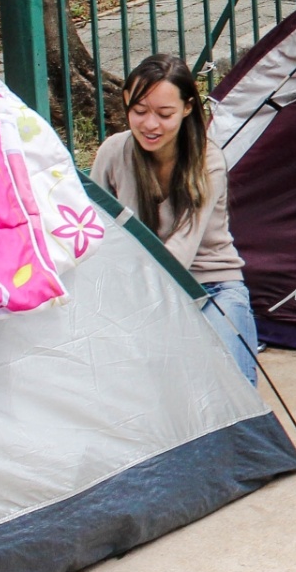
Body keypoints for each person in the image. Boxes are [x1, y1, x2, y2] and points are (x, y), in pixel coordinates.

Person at [91, 54, 258, 385]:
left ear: (186, 108)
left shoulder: (207, 159)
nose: (150, 125)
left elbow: (183, 246)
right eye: (139, 111)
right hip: (136, 289)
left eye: (164, 114)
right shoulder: (113, 152)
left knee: (230, 387)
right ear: (126, 103)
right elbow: (93, 228)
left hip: (212, 287)